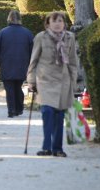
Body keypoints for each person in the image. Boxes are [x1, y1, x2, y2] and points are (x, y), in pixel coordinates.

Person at [27, 11, 77, 157]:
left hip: (63, 82)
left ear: (64, 23)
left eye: (60, 21)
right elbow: (34, 60)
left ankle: (58, 148)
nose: (57, 24)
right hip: (45, 80)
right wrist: (31, 80)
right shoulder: (41, 37)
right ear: (48, 24)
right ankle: (46, 147)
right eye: (54, 21)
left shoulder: (70, 37)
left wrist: (73, 82)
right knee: (47, 112)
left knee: (59, 115)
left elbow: (73, 62)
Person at [0, 10, 34, 118]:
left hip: (6, 64)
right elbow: (32, 51)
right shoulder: (27, 33)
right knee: (18, 87)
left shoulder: (1, 33)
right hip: (22, 65)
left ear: (9, 18)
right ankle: (19, 108)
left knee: (9, 89)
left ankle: (11, 110)